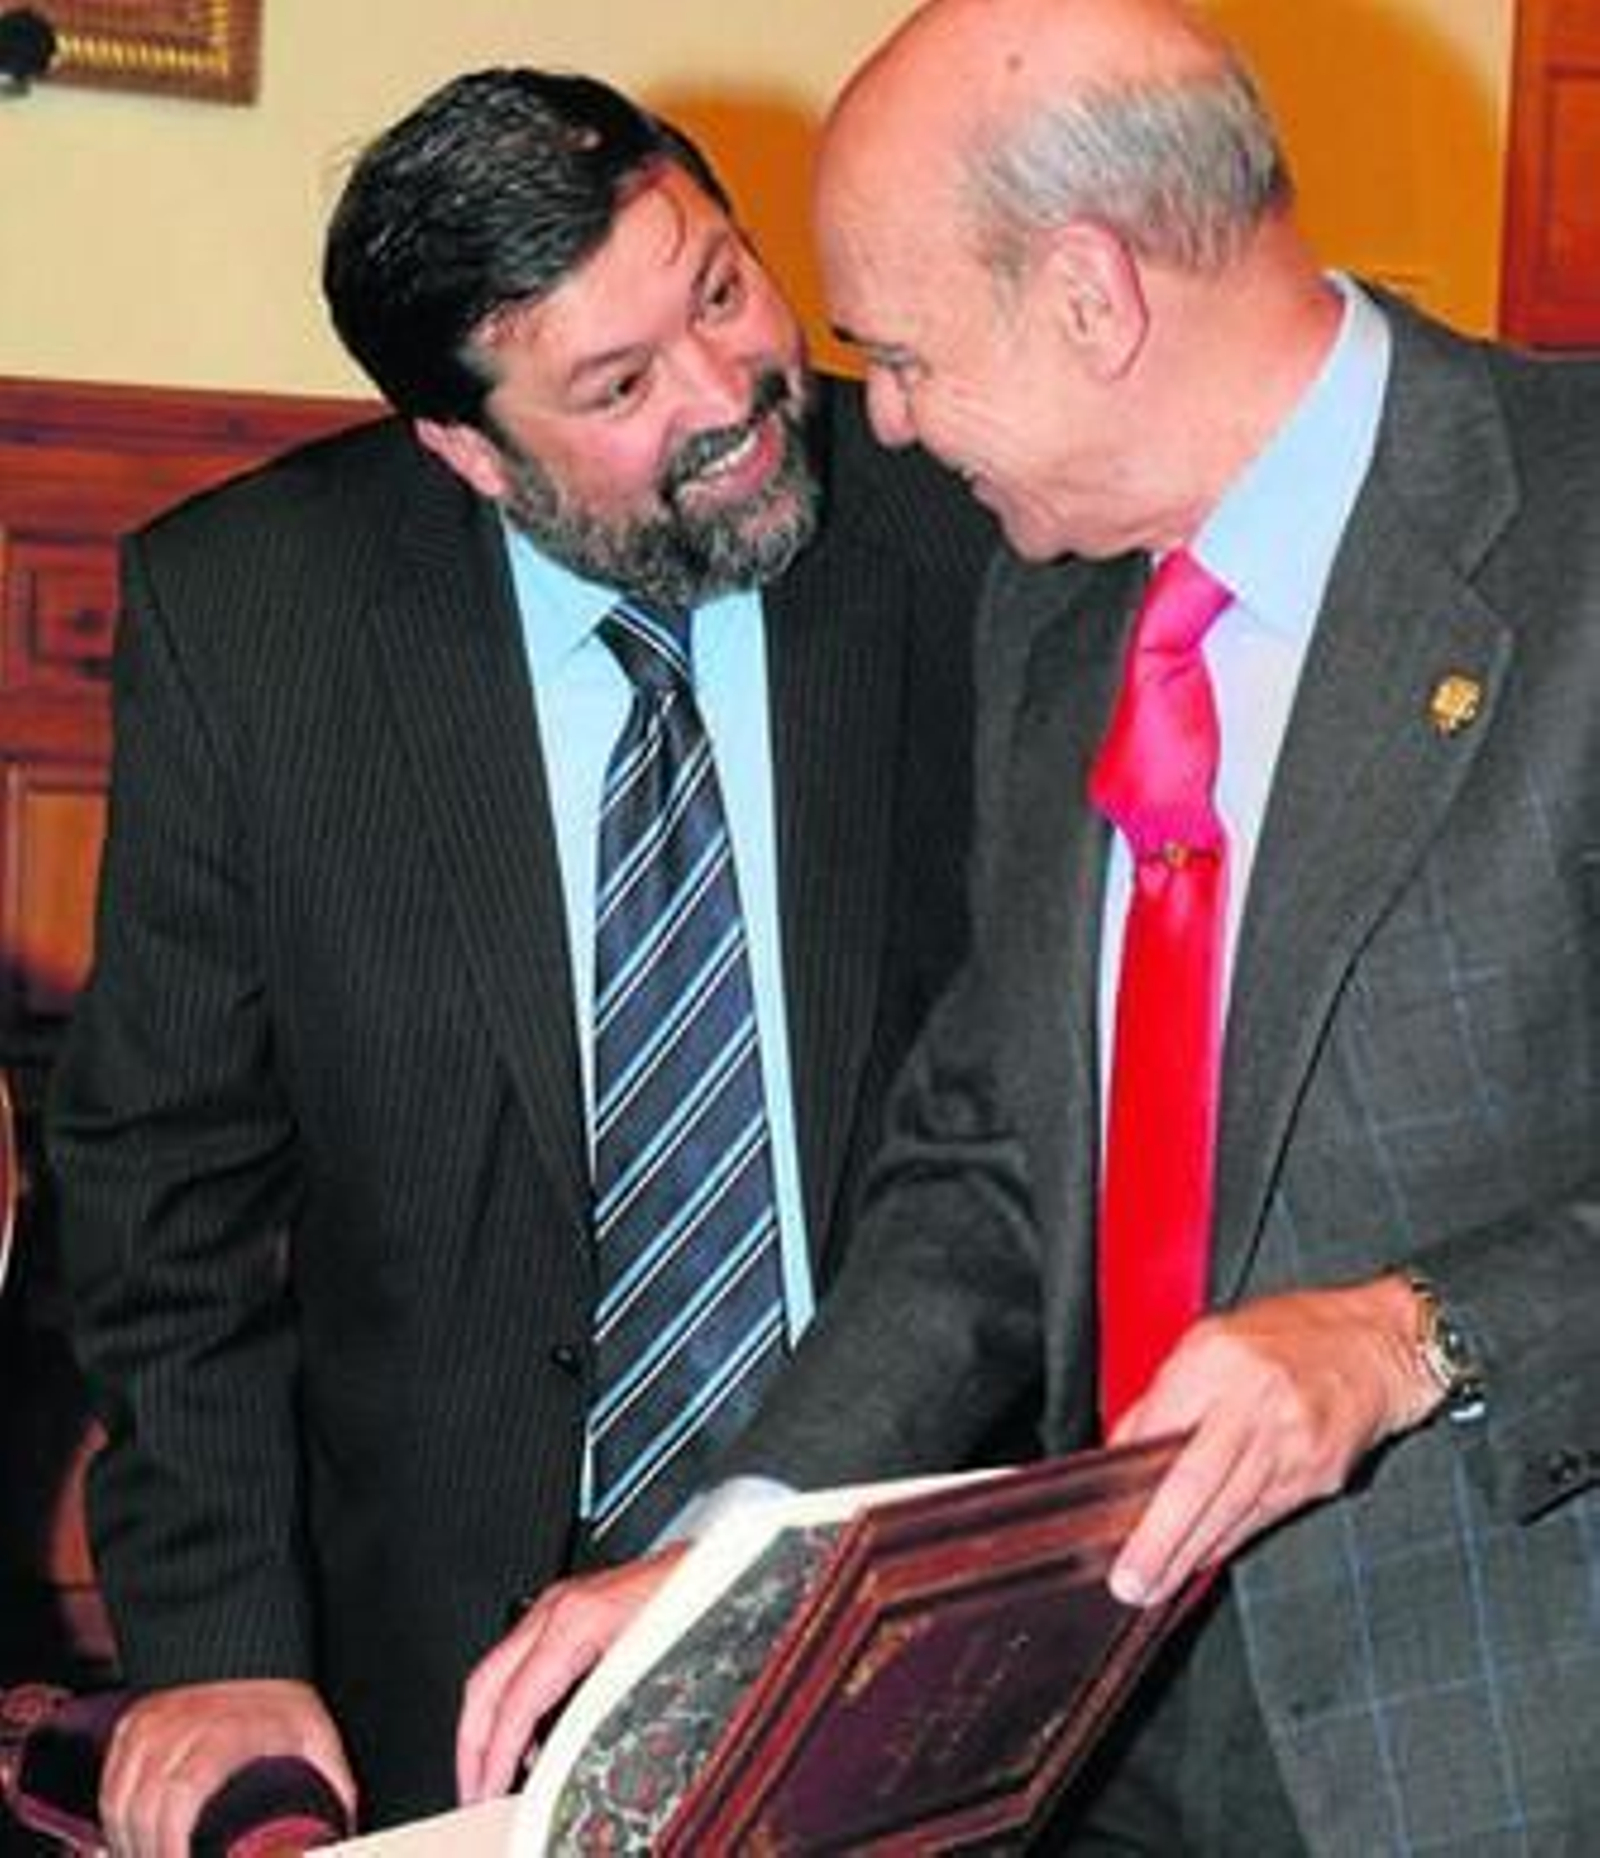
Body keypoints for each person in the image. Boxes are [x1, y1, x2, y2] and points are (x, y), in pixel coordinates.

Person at [463, 3, 1600, 1848]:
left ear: (1091, 294)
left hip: (1510, 1750)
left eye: (901, 354)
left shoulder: (1576, 528)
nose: (883, 417)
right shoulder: (1052, 620)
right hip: (1100, 1737)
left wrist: (1414, 1336)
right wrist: (737, 1566)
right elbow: (992, 1163)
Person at [46, 66, 995, 1848]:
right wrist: (224, 1642)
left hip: (911, 1586)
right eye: (620, 388)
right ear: (469, 453)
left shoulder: (959, 514)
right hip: (450, 1668)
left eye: (721, 288)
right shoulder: (260, 621)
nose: (728, 398)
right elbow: (162, 1181)